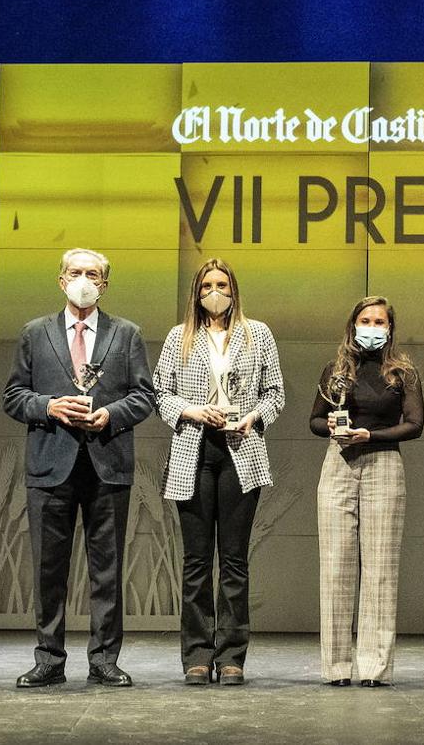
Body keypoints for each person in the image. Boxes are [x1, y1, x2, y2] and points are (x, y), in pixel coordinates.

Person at [2, 248, 155, 689]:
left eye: (92, 274)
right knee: (48, 569)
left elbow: (144, 396)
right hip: (50, 465)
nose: (83, 280)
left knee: (107, 568)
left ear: (104, 284)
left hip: (108, 464)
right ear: (61, 280)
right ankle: (49, 658)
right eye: (75, 272)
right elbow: (13, 396)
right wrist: (49, 406)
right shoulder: (35, 333)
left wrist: (110, 414)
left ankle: (104, 659)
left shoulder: (126, 333)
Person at [152, 258, 285, 686]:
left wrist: (252, 417)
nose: (215, 292)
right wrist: (191, 410)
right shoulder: (179, 337)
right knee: (195, 562)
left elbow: (275, 393)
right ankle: (196, 654)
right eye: (207, 285)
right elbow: (160, 392)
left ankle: (231, 657)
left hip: (240, 451)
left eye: (222, 285)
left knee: (234, 561)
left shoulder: (257, 334)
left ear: (233, 290)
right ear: (197, 292)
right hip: (193, 451)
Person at [309, 296, 423, 688]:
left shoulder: (403, 372)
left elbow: (415, 424)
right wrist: (332, 426)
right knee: (336, 566)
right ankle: (337, 667)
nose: (371, 327)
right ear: (352, 325)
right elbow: (314, 420)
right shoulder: (336, 369)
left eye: (379, 322)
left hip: (384, 463)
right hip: (338, 462)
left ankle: (374, 668)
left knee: (380, 568)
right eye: (365, 320)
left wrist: (370, 435)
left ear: (390, 328)